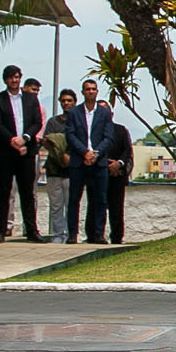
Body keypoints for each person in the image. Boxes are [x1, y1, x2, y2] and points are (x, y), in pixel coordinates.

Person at [0, 66, 44, 242]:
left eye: (17, 77)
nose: (14, 80)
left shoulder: (30, 99)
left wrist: (25, 138)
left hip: (26, 152)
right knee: (4, 192)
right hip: (5, 152)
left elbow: (37, 122)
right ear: (5, 80)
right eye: (11, 78)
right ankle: (0, 230)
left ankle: (31, 230)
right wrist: (13, 140)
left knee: (27, 193)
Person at [63, 78, 114, 244]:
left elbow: (108, 137)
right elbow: (70, 135)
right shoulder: (73, 113)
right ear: (83, 92)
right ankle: (72, 234)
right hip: (79, 161)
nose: (91, 91)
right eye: (87, 89)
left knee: (100, 199)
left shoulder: (104, 113)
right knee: (74, 199)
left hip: (98, 162)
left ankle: (98, 233)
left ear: (97, 91)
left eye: (93, 89)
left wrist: (96, 154)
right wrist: (85, 153)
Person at [42, 97, 73, 243]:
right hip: (54, 169)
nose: (66, 103)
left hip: (71, 170)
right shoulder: (53, 122)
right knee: (56, 206)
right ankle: (58, 234)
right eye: (64, 100)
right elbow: (48, 141)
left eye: (69, 100)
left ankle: (69, 233)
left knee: (70, 205)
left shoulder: (77, 121)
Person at [103, 102, 133, 244]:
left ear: (111, 114)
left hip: (117, 175)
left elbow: (127, 151)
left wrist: (117, 164)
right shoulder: (91, 131)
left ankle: (117, 237)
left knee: (116, 208)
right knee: (97, 206)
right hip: (98, 174)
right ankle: (96, 235)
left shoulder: (121, 130)